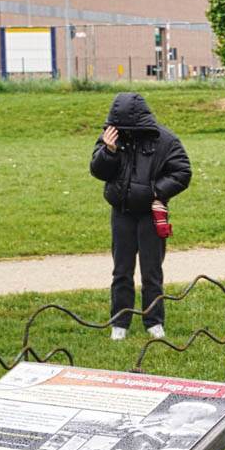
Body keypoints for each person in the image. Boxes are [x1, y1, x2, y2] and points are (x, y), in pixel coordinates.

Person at [90, 92, 191, 340]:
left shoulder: (165, 140)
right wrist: (109, 150)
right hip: (121, 213)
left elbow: (182, 172)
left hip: (150, 215)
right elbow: (97, 170)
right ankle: (120, 322)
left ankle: (154, 321)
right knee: (121, 270)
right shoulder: (111, 137)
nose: (117, 130)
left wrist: (157, 192)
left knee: (151, 271)